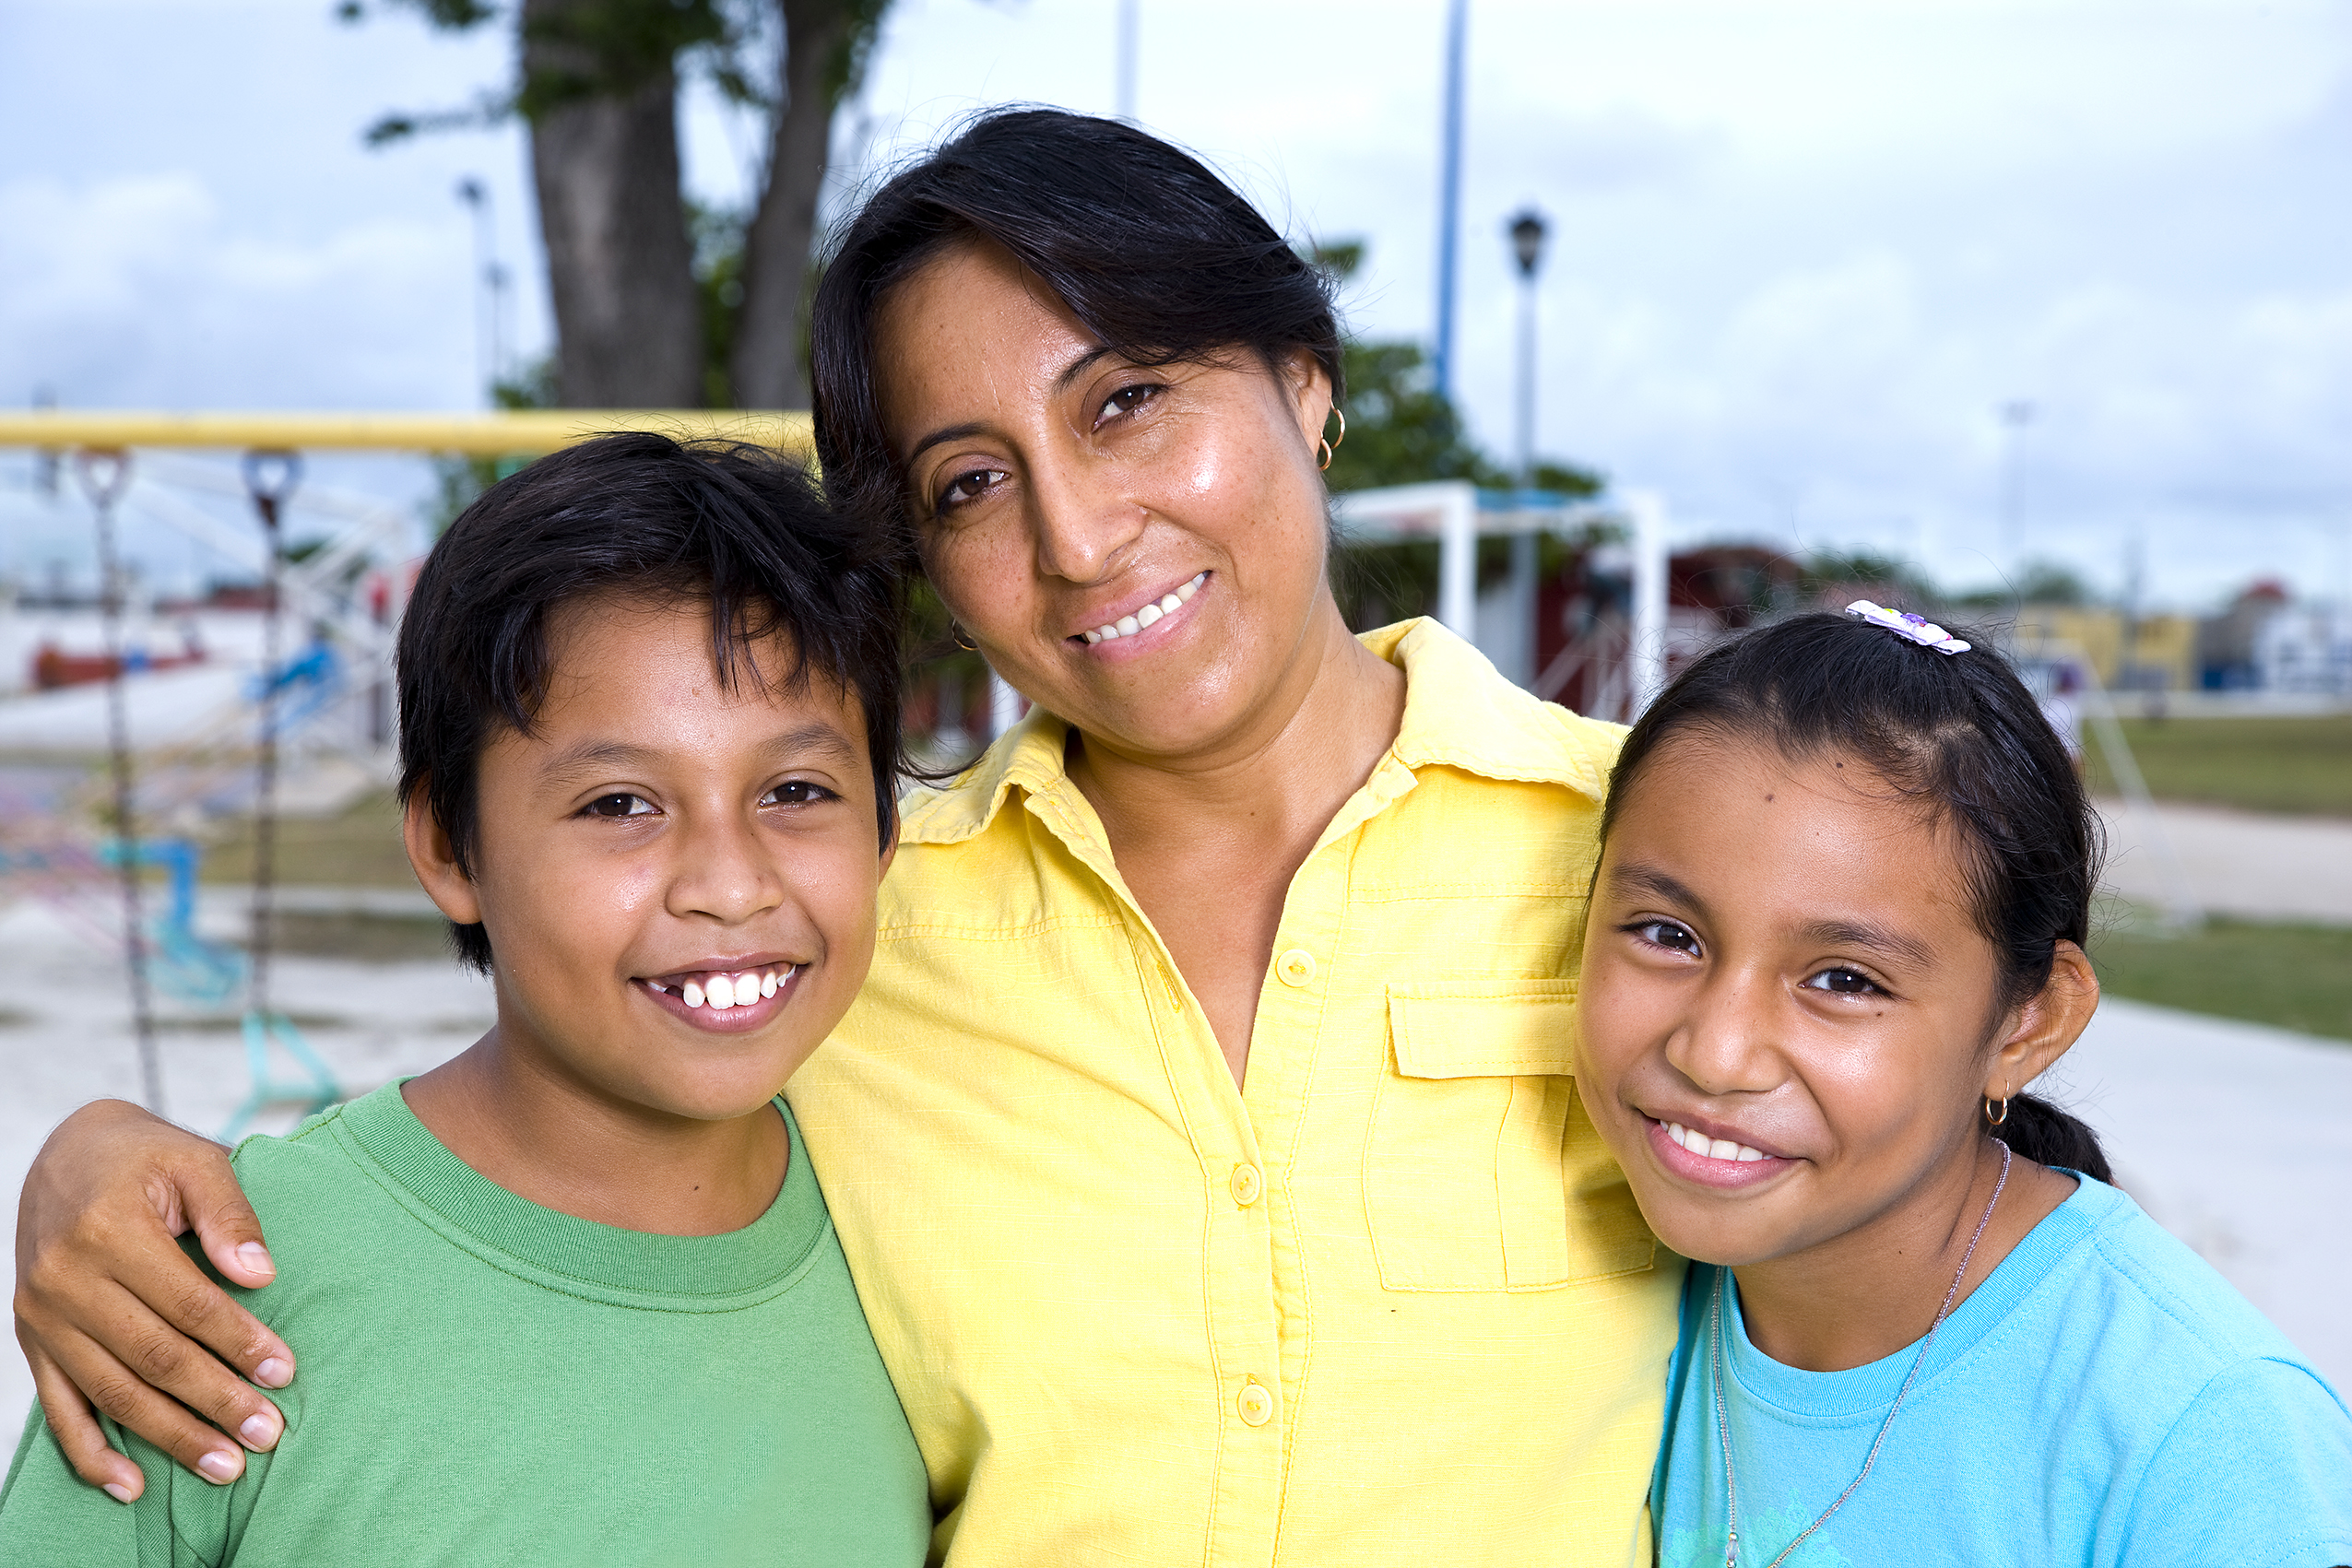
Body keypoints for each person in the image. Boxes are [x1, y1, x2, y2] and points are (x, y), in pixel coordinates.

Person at [12, 112, 1682, 1565]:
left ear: (1306, 385)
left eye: (1130, 403)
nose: (1084, 536)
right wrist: (99, 1166)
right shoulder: (858, 942)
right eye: (970, 482)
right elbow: (547, 1132)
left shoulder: (1661, 863)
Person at [0, 435, 930, 1565]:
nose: (731, 885)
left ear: (884, 832)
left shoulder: (925, 1236)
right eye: (620, 804)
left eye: (795, 790)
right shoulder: (195, 1312)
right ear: (450, 845)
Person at [1571, 604, 2352, 1566]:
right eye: (1665, 934)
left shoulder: (2203, 1448)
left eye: (1844, 981)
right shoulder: (1591, 1298)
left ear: (2028, 1024)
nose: (1714, 1053)